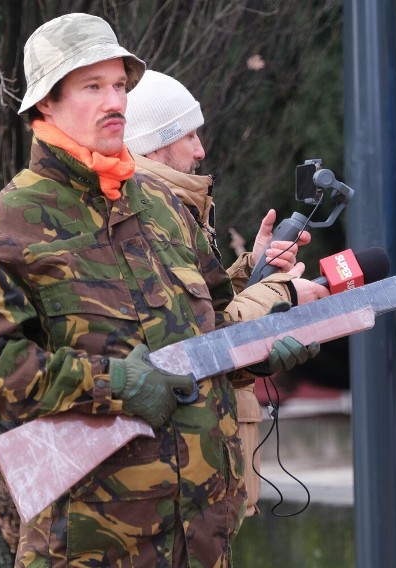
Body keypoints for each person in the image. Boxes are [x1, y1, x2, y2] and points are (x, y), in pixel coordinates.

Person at [0, 13, 321, 568]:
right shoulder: (9, 225)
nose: (114, 101)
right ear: (46, 103)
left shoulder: (163, 208)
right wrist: (115, 383)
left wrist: (266, 348)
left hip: (200, 540)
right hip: (92, 547)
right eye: (92, 87)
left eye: (120, 85)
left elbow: (212, 338)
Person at [124, 70, 329, 519]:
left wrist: (250, 274)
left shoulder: (165, 205)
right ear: (157, 144)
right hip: (182, 478)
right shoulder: (150, 211)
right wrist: (282, 293)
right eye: (190, 135)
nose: (201, 151)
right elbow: (199, 340)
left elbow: (198, 309)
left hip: (198, 476)